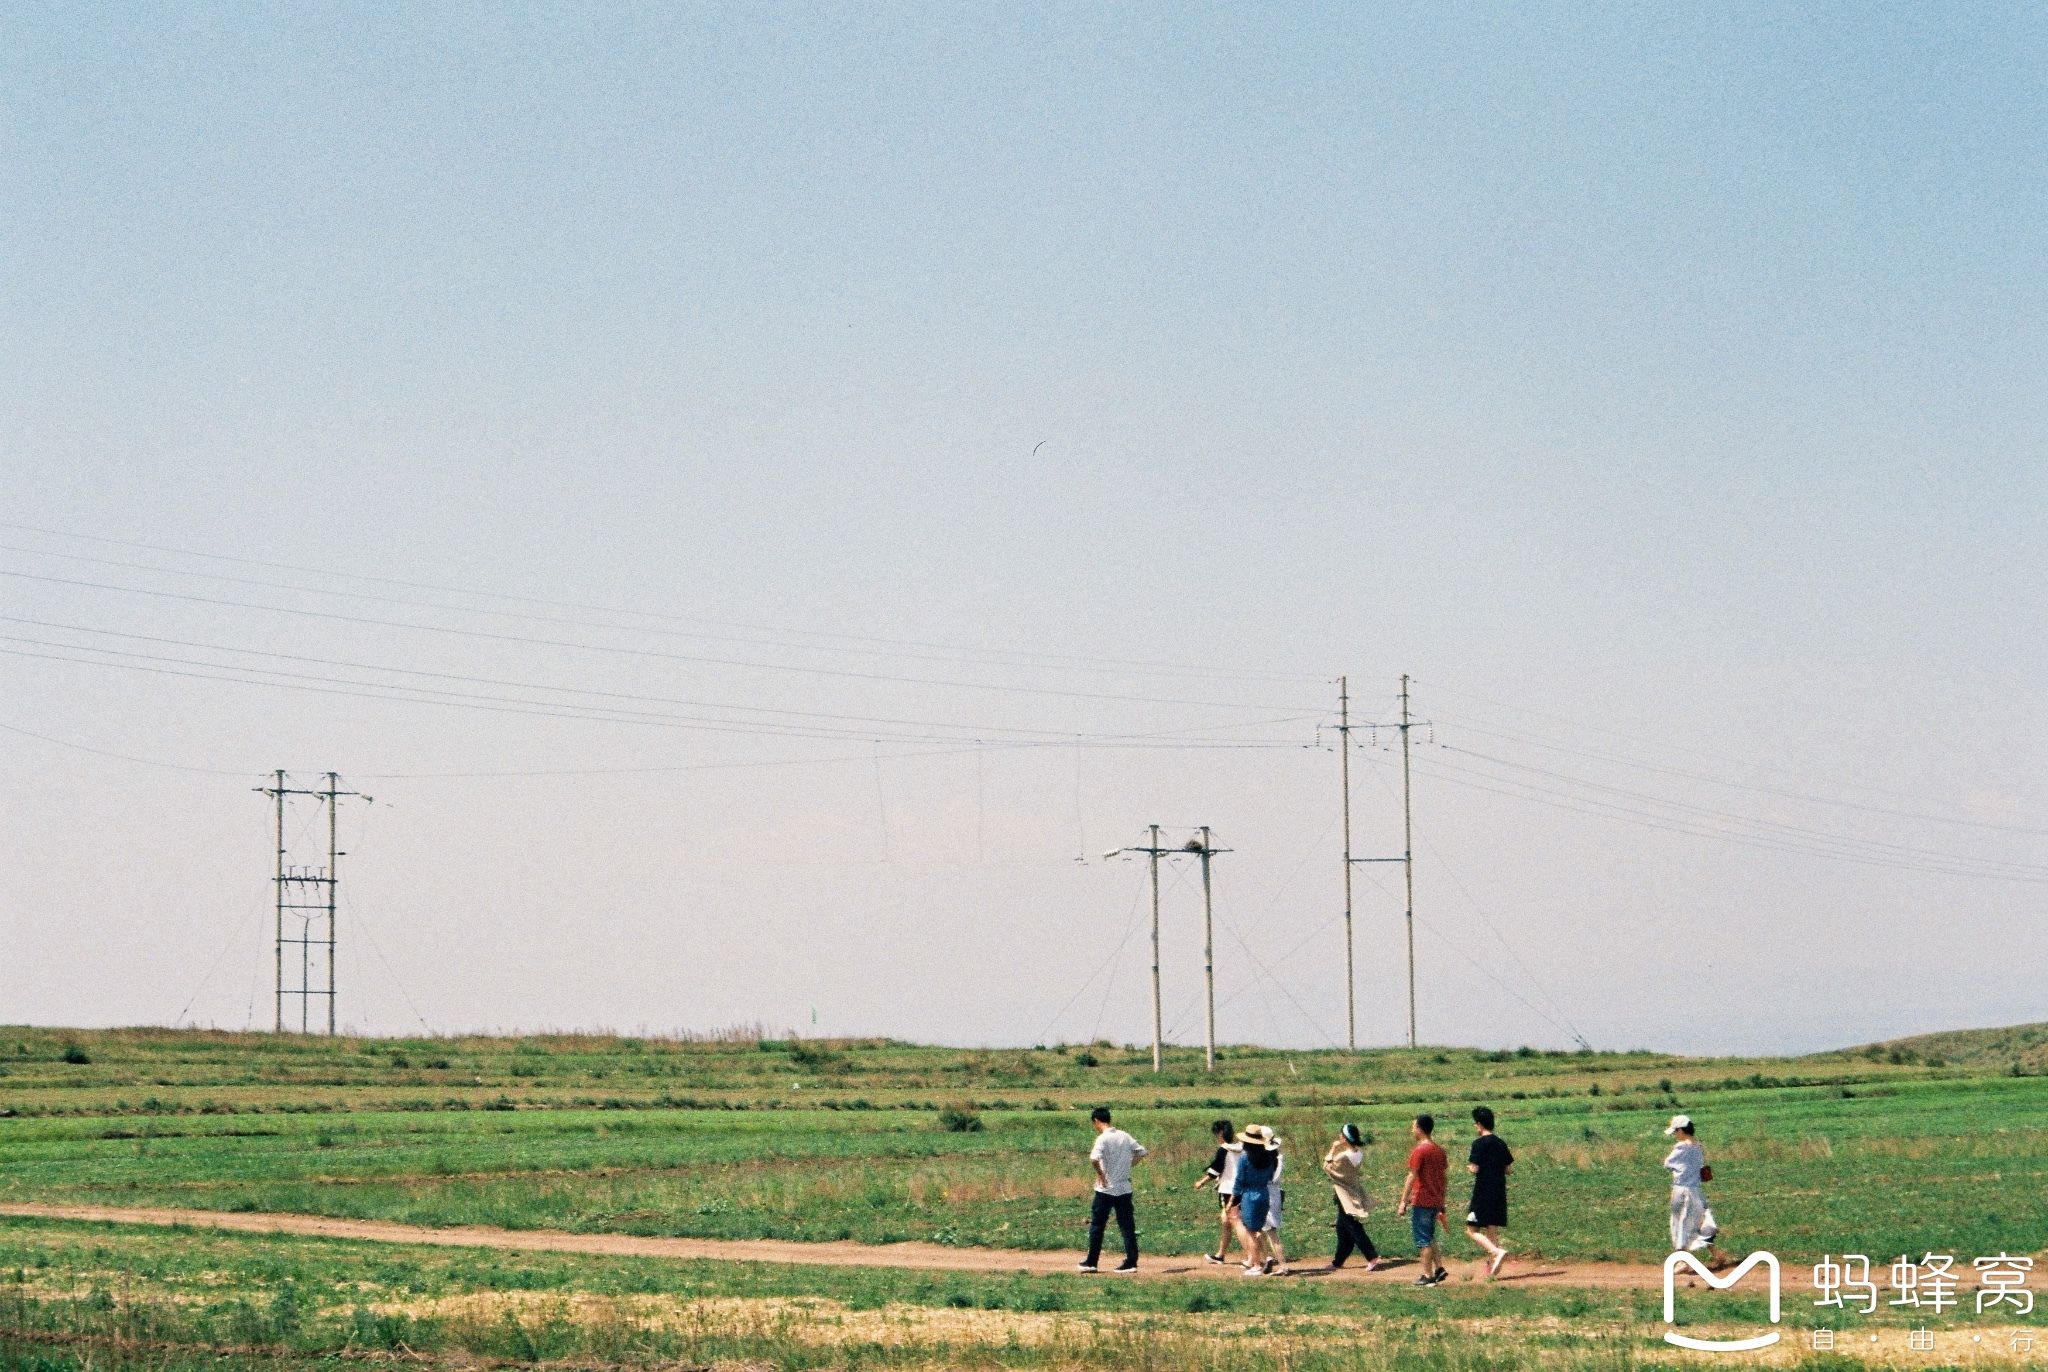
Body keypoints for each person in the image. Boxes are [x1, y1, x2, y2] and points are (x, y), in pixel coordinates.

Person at [1078, 1106, 1146, 1273]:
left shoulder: (1102, 1139)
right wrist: (1128, 1166)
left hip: (1106, 1189)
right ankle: (1131, 1262)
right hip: (1124, 1188)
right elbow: (1142, 1152)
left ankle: (1091, 1262)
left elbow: (1094, 1158)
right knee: (1127, 1225)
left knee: (1097, 1225)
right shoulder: (1124, 1135)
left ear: (1096, 1121)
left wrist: (1101, 1175)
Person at [1662, 1114, 1723, 1267]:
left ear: (1681, 1130)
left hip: (1682, 1190)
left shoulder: (1681, 1147)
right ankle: (1716, 1254)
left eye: (1676, 1131)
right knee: (1698, 1222)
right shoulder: (1698, 1145)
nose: (1675, 1135)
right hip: (1695, 1190)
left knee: (1680, 1224)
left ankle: (1682, 1261)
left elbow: (1667, 1163)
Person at [1395, 1114, 1449, 1286]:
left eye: (1413, 1126)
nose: (1412, 1130)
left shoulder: (1420, 1150)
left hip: (1422, 1200)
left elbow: (1412, 1176)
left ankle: (1427, 1276)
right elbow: (1444, 1177)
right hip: (1435, 1200)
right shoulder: (1439, 1150)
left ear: (1419, 1128)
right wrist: (1442, 1200)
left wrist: (1403, 1201)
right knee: (1430, 1235)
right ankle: (1439, 1268)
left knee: (1423, 1239)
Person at [1323, 1123, 1381, 1270]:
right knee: (1342, 1229)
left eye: (1341, 1134)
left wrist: (1333, 1148)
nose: (1339, 1136)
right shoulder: (1358, 1153)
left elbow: (1327, 1166)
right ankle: (1338, 1261)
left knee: (1352, 1226)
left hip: (1344, 1194)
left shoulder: (1343, 1156)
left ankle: (1371, 1256)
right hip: (1353, 1190)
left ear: (1345, 1138)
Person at [1464, 1105, 1513, 1278]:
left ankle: (1495, 1252)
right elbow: (1508, 1169)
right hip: (1499, 1191)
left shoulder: (1478, 1144)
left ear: (1479, 1124)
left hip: (1483, 1191)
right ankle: (1493, 1270)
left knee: (1471, 1230)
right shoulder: (1500, 1143)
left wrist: (1471, 1167)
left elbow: (1474, 1168)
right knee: (1491, 1229)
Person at [1230, 1123, 1281, 1276]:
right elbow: (1271, 1176)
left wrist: (1233, 1199)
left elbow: (1239, 1180)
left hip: (1250, 1195)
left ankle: (1256, 1265)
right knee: (1258, 1229)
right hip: (1264, 1193)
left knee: (1251, 1231)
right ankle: (1266, 1257)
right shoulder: (1269, 1156)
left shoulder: (1245, 1158)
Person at [1194, 1118, 1243, 1265]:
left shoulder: (1224, 1150)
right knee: (1228, 1221)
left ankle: (1255, 1257)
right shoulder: (1241, 1147)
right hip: (1242, 1188)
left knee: (1234, 1222)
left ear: (1220, 1134)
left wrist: (1201, 1182)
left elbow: (1215, 1169)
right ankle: (1220, 1254)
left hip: (1228, 1189)